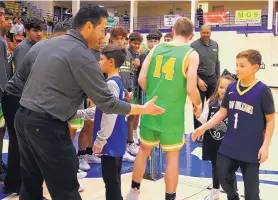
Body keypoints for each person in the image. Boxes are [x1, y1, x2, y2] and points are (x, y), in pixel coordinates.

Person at [14, 5, 165, 200]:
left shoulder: (45, 44)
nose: (104, 35)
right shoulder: (82, 55)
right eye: (102, 30)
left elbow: (18, 80)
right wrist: (143, 109)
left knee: (31, 183)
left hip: (23, 119)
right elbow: (108, 104)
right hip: (46, 127)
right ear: (88, 26)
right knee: (66, 188)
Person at [126, 17, 202, 200]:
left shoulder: (155, 49)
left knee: (143, 151)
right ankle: (170, 197)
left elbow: (141, 80)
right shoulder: (191, 54)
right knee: (172, 157)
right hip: (172, 115)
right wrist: (198, 104)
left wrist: (153, 94)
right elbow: (191, 89)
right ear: (191, 35)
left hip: (151, 110)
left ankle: (134, 191)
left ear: (173, 31)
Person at [192, 49, 275, 200]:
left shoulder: (263, 91)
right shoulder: (231, 88)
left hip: (251, 146)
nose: (237, 68)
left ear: (255, 68)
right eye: (236, 65)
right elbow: (222, 113)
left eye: (242, 66)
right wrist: (203, 127)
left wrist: (265, 146)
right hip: (229, 144)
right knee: (222, 175)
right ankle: (233, 196)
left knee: (251, 192)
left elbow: (270, 120)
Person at [1, 21, 72, 195]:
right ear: (26, 32)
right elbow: (27, 78)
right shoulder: (26, 49)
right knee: (20, 145)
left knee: (21, 145)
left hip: (22, 97)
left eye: (41, 30)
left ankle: (15, 184)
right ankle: (16, 184)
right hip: (16, 97)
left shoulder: (38, 46)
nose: (39, 33)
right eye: (35, 30)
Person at [92, 43, 127, 200]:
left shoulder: (111, 84)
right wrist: (79, 113)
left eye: (101, 59)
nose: (99, 63)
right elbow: (102, 110)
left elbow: (109, 115)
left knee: (111, 182)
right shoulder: (117, 81)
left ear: (111, 61)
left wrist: (100, 140)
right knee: (114, 180)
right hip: (117, 136)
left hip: (110, 139)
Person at [195, 75, 236, 200]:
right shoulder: (211, 102)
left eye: (227, 88)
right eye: (221, 87)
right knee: (215, 167)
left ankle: (233, 193)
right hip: (213, 142)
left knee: (230, 170)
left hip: (229, 144)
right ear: (217, 87)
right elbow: (203, 120)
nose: (223, 90)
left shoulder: (234, 105)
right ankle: (215, 191)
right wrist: (198, 114)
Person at [190, 25, 220, 137]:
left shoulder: (215, 44)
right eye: (204, 33)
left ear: (210, 32)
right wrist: (198, 80)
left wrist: (218, 79)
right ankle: (198, 133)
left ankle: (209, 131)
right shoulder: (193, 45)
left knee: (213, 106)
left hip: (212, 79)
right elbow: (189, 65)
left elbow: (217, 62)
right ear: (200, 32)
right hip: (199, 80)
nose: (206, 35)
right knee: (198, 107)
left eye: (208, 32)